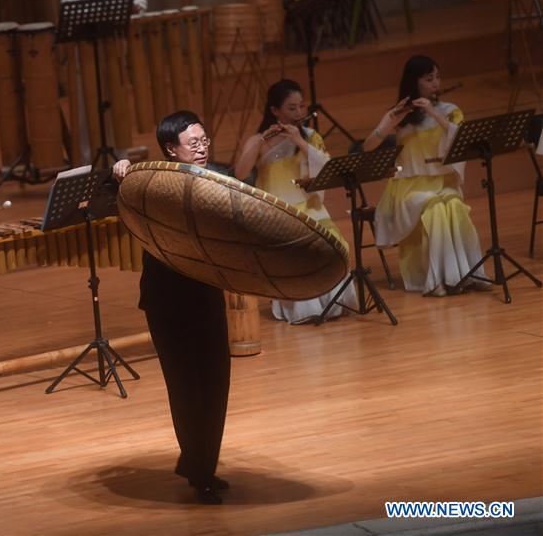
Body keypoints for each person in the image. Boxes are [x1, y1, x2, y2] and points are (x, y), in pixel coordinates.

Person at [113, 111, 229, 505]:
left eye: (204, 139)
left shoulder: (218, 178)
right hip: (168, 302)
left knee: (215, 385)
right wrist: (121, 172)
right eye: (192, 143)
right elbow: (109, 198)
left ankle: (202, 464)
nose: (201, 148)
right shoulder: (152, 185)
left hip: (207, 295)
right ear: (170, 149)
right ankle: (201, 473)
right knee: (185, 389)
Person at [233, 79, 356, 324]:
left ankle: (333, 303)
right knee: (296, 249)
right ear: (275, 111)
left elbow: (326, 169)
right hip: (278, 213)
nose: (299, 113)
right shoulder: (259, 140)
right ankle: (304, 309)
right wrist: (259, 142)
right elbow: (240, 173)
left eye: (301, 107)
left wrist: (300, 141)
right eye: (292, 108)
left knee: (332, 244)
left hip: (311, 209)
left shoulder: (311, 137)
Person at [363, 55, 487, 296]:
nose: (436, 84)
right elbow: (368, 146)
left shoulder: (451, 111)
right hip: (409, 188)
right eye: (429, 79)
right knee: (436, 208)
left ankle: (466, 274)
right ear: (414, 82)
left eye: (438, 78)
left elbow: (461, 140)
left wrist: (434, 114)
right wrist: (390, 120)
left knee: (453, 205)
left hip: (443, 183)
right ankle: (438, 279)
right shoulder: (400, 115)